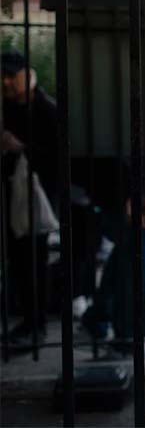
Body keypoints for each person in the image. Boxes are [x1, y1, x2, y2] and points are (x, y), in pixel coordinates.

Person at [1, 50, 59, 347]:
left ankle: (36, 325)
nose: (6, 82)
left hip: (39, 197)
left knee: (34, 261)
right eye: (3, 76)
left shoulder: (46, 109)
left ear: (27, 74)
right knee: (19, 260)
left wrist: (21, 147)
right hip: (13, 196)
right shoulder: (8, 107)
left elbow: (58, 157)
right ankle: (28, 322)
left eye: (11, 75)